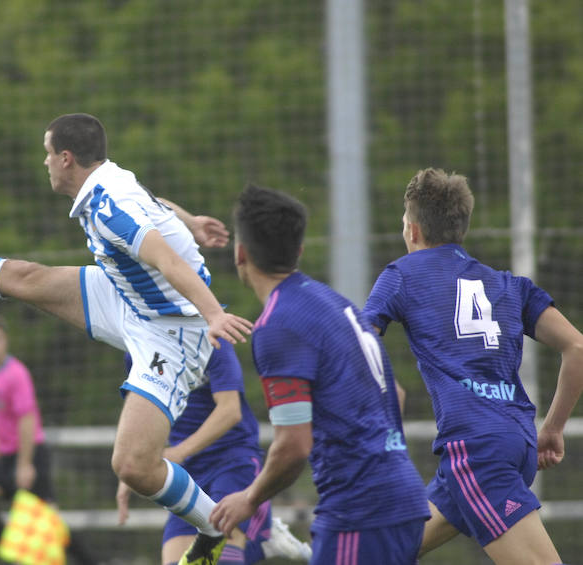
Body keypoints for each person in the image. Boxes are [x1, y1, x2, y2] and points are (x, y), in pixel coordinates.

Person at [0, 113, 253, 564]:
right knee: (23, 276)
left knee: (133, 467)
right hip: (130, 299)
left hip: (174, 330)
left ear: (67, 158)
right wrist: (191, 221)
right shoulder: (110, 179)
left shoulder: (107, 206)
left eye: (48, 153)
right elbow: (155, 208)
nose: (45, 162)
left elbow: (168, 262)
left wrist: (213, 314)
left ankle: (213, 525)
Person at [363, 168, 583, 565]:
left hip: (475, 451)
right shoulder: (508, 285)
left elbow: (359, 345)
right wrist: (551, 429)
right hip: (515, 442)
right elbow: (577, 347)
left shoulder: (400, 275)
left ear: (412, 231)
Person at [209, 184, 430, 564]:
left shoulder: (277, 324)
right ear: (299, 250)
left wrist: (249, 498)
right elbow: (395, 392)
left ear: (240, 253)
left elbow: (294, 445)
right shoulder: (332, 301)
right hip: (399, 497)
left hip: (359, 511)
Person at [116, 344, 313, 565]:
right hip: (188, 473)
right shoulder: (138, 350)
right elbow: (151, 415)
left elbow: (230, 411)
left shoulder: (210, 342)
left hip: (232, 460)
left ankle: (255, 536)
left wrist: (179, 452)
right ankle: (258, 542)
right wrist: (137, 467)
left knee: (220, 558)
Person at [0, 314, 95, 564]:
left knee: (50, 523)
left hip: (30, 453)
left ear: (5, 341)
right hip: (6, 454)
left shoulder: (16, 373)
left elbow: (27, 419)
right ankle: (22, 551)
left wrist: (25, 463)